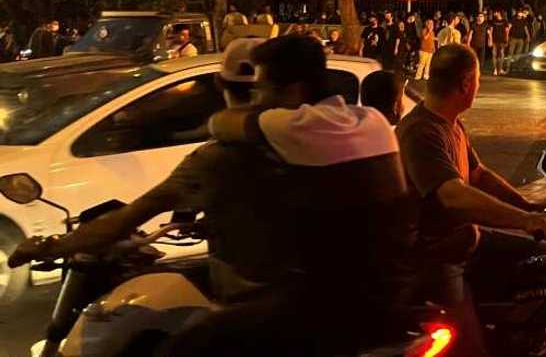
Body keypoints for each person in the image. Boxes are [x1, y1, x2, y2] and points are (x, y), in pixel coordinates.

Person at [10, 36, 417, 355]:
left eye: (265, 89)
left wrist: (53, 246)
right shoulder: (371, 121)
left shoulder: (259, 141)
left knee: (186, 347)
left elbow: (132, 214)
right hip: (391, 289)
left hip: (324, 304)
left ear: (291, 90)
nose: (258, 99)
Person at [396, 44, 546, 311]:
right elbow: (453, 195)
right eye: (477, 79)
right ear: (465, 83)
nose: (478, 85)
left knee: (545, 260)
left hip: (465, 239)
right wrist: (524, 220)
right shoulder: (420, 132)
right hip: (439, 255)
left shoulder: (451, 123)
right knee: (464, 338)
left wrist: (530, 207)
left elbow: (478, 174)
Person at [490, 11, 510, 76]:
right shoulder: (493, 21)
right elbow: (491, 30)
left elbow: (507, 31)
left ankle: (500, 69)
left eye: (496, 12)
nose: (495, 13)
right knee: (494, 55)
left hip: (502, 41)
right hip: (494, 40)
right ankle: (495, 69)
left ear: (499, 13)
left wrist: (506, 39)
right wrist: (490, 40)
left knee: (501, 55)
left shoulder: (505, 21)